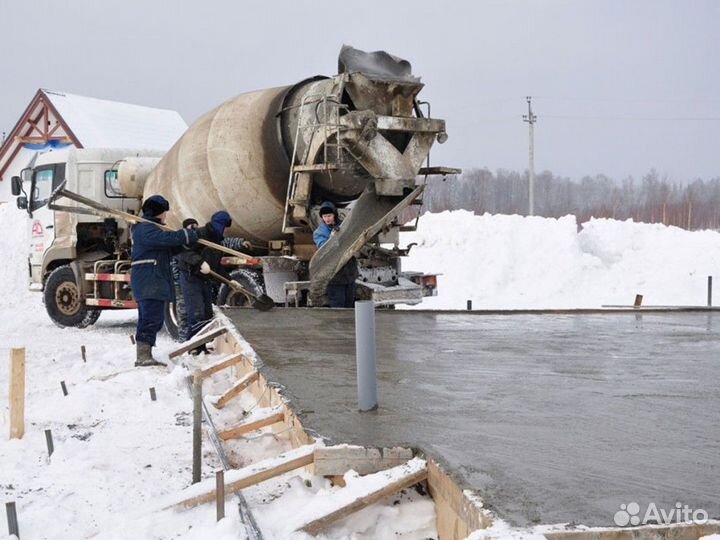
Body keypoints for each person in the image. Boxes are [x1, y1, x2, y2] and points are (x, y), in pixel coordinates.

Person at [131, 195, 198, 367]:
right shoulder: (146, 229)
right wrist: (185, 234)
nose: (166, 216)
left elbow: (171, 246)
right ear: (158, 212)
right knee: (150, 318)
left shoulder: (151, 230)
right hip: (149, 281)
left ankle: (144, 353)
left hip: (152, 280)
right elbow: (167, 240)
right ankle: (143, 356)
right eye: (164, 212)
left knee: (152, 317)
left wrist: (190, 237)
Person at [175, 211, 234, 348]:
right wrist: (199, 262)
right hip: (190, 278)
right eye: (225, 227)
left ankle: (202, 347)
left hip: (204, 280)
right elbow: (181, 251)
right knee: (197, 314)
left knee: (207, 314)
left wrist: (229, 280)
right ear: (220, 225)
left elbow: (216, 267)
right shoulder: (199, 234)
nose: (226, 231)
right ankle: (193, 348)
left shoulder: (217, 242)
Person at [313, 201, 359, 308]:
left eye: (329, 215)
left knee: (350, 305)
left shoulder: (344, 225)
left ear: (335, 215)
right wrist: (333, 237)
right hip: (334, 276)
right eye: (324, 216)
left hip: (349, 274)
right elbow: (323, 248)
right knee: (338, 306)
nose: (327, 218)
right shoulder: (320, 232)